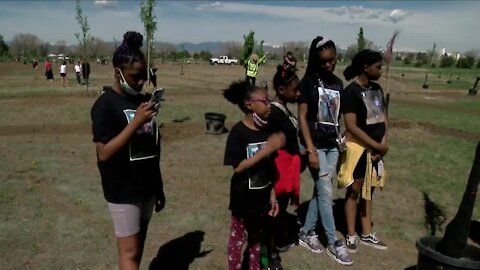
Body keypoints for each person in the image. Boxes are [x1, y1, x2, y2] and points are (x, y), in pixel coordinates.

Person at [90, 31, 165, 270]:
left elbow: (154, 147)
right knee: (129, 252)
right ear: (117, 72)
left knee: (139, 247)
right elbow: (104, 153)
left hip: (147, 187)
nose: (141, 81)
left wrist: (158, 186)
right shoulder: (105, 105)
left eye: (144, 76)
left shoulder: (142, 101)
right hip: (123, 190)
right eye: (135, 77)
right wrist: (135, 123)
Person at [297, 36, 353, 265]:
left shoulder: (338, 84)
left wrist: (345, 136)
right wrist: (310, 150)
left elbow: (338, 116)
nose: (329, 65)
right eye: (324, 62)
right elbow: (302, 117)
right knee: (327, 193)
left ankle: (306, 231)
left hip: (332, 146)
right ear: (316, 61)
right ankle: (333, 242)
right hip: (315, 145)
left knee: (322, 191)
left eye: (333, 60)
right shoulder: (308, 82)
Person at [223, 80, 283, 270]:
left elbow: (270, 167)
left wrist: (273, 195)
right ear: (250, 105)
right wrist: (265, 150)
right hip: (243, 201)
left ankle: (257, 267)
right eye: (265, 100)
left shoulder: (266, 130)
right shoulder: (238, 133)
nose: (269, 104)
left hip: (262, 199)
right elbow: (238, 167)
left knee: (258, 240)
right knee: (237, 241)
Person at [339, 49, 389, 253]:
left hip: (377, 150)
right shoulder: (350, 92)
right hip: (358, 149)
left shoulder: (377, 89)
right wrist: (375, 146)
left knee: (369, 192)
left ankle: (367, 232)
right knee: (355, 191)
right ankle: (351, 234)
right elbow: (351, 126)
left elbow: (384, 118)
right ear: (365, 67)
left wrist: (383, 145)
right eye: (378, 67)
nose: (381, 71)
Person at [261, 65, 301, 269]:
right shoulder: (274, 113)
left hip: (287, 170)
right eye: (295, 90)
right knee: (272, 214)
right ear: (282, 90)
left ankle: (274, 245)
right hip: (278, 170)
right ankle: (269, 255)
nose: (298, 93)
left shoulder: (284, 111)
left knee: (279, 211)